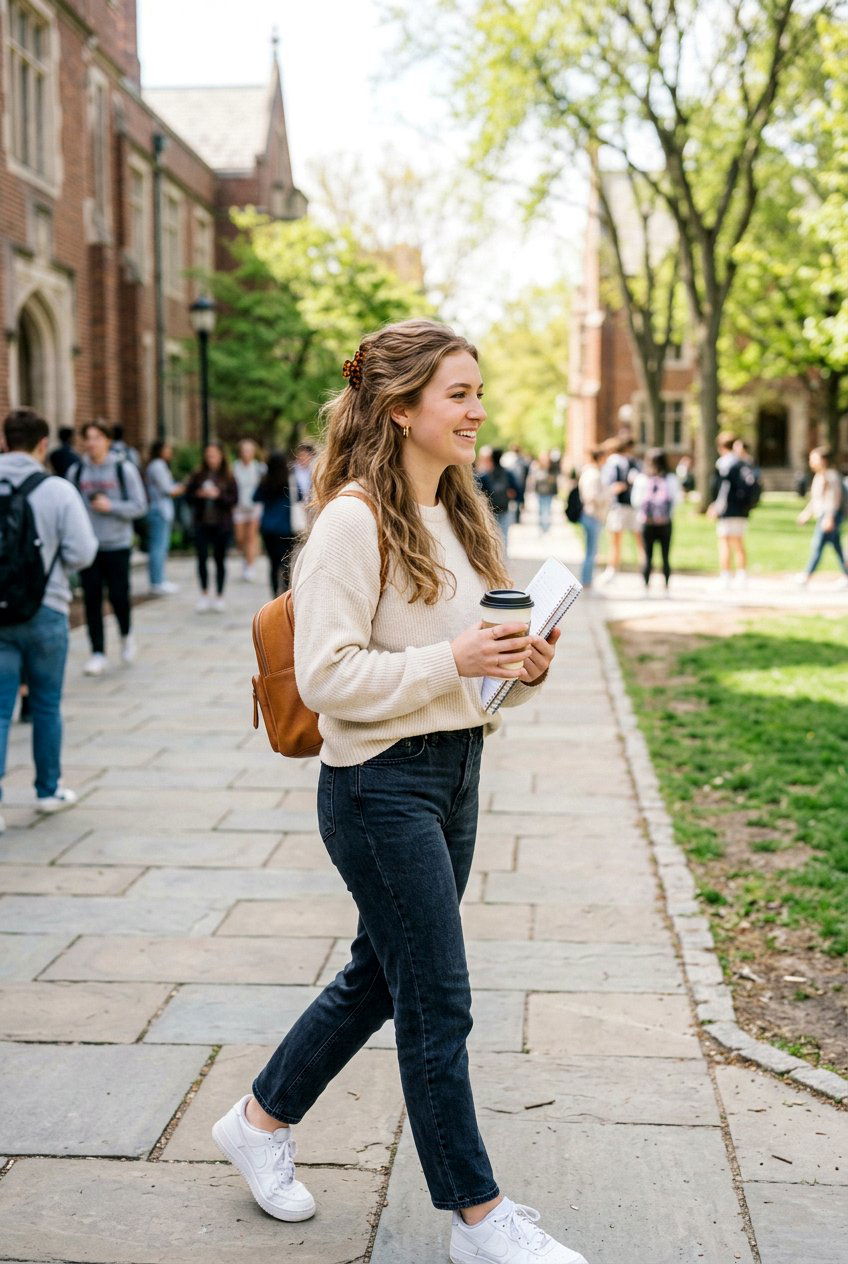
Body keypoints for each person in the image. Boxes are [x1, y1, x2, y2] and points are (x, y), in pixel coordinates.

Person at [210, 319, 582, 1264]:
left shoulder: (460, 515)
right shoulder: (352, 521)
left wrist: (518, 667)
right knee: (437, 998)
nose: (477, 409)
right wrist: (453, 656)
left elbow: (469, 674)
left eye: (476, 391)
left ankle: (257, 1124)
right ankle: (478, 1217)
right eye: (457, 394)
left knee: (382, 975)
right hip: (379, 790)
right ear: (400, 406)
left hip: (456, 771)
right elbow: (328, 677)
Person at [0, 409, 97, 831]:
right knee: (44, 704)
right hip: (47, 608)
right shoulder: (58, 490)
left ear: (5, 442)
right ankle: (47, 790)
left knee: (0, 710)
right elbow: (83, 552)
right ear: (42, 445)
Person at [70, 421, 147, 675]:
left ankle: (126, 637)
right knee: (91, 599)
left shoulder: (124, 469)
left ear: (107, 441)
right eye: (88, 438)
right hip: (89, 546)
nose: (92, 443)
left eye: (97, 437)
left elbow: (139, 506)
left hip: (117, 544)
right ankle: (97, 652)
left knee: (118, 595)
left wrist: (111, 506)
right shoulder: (77, 471)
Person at [184, 442, 238, 612]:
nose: (211, 459)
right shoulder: (198, 475)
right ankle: (204, 594)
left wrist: (218, 495)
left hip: (221, 525)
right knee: (201, 559)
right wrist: (199, 495)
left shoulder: (228, 476)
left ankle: (220, 595)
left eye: (214, 455)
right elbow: (188, 497)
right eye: (208, 455)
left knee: (220, 560)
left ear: (221, 456)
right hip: (202, 523)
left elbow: (234, 500)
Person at [707, 430, 755, 589]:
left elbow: (723, 487)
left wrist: (716, 506)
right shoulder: (742, 462)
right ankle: (742, 575)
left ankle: (726, 576)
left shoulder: (724, 463)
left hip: (727, 509)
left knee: (725, 542)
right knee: (739, 541)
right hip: (742, 509)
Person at [795, 445, 848, 587]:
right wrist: (806, 513)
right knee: (836, 547)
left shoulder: (830, 476)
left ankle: (807, 575)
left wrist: (829, 517)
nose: (811, 461)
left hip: (829, 516)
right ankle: (846, 574)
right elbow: (816, 499)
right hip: (825, 516)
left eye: (814, 459)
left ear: (823, 460)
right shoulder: (820, 476)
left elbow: (834, 498)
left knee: (817, 545)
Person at [631, 449, 682, 594]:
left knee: (647, 555)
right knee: (665, 556)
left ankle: (646, 586)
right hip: (665, 523)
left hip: (647, 523)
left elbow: (636, 501)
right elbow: (676, 500)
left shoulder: (642, 479)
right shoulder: (671, 479)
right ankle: (666, 585)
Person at [253, 451, 297, 597]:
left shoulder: (265, 481)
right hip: (286, 528)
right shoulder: (289, 481)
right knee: (286, 565)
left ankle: (274, 595)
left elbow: (255, 497)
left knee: (272, 564)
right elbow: (299, 498)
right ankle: (285, 594)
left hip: (268, 528)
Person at [599, 437, 641, 584]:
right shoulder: (634, 462)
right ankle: (643, 568)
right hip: (633, 506)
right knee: (638, 539)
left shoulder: (613, 462)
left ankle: (612, 570)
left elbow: (608, 484)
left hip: (618, 506)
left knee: (615, 540)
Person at [145, 439, 183, 595]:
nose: (170, 451)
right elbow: (167, 489)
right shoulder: (158, 466)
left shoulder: (157, 466)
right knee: (158, 547)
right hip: (159, 511)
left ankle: (160, 579)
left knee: (161, 546)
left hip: (160, 510)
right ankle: (157, 582)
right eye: (167, 448)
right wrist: (184, 487)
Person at [232, 438, 266, 582]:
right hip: (239, 506)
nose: (247, 453)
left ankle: (250, 566)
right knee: (240, 538)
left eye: (249, 450)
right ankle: (246, 559)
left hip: (254, 507)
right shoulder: (234, 467)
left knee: (251, 537)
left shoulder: (259, 468)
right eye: (244, 450)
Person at [478, 447, 519, 554]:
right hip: (504, 507)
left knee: (491, 534)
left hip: (490, 509)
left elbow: (479, 491)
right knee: (504, 534)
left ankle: (494, 557)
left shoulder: (486, 475)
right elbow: (517, 490)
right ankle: (503, 558)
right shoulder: (507, 473)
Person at [577, 448, 607, 588]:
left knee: (590, 550)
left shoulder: (588, 472)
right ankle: (586, 580)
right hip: (592, 515)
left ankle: (587, 578)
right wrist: (609, 494)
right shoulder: (593, 474)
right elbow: (592, 496)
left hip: (589, 514)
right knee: (591, 551)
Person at [529, 451, 558, 534]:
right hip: (540, 492)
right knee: (541, 510)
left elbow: (554, 480)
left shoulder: (552, 468)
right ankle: (542, 527)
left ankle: (546, 527)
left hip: (549, 492)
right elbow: (535, 479)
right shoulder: (537, 467)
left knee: (547, 510)